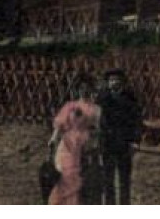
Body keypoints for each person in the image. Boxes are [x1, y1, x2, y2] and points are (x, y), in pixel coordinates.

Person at [48, 76, 101, 206]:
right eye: (81, 88)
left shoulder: (96, 109)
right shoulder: (70, 106)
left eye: (87, 88)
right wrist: (54, 138)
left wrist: (94, 142)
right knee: (65, 174)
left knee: (79, 177)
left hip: (85, 144)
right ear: (77, 90)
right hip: (67, 144)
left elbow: (98, 129)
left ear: (91, 89)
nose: (84, 91)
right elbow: (60, 125)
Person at [97, 67, 145, 204]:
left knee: (124, 178)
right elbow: (97, 121)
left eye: (117, 80)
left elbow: (137, 121)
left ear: (122, 82)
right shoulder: (102, 98)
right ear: (107, 82)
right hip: (107, 144)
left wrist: (135, 141)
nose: (114, 82)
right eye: (111, 80)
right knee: (108, 179)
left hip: (125, 143)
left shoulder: (130, 98)